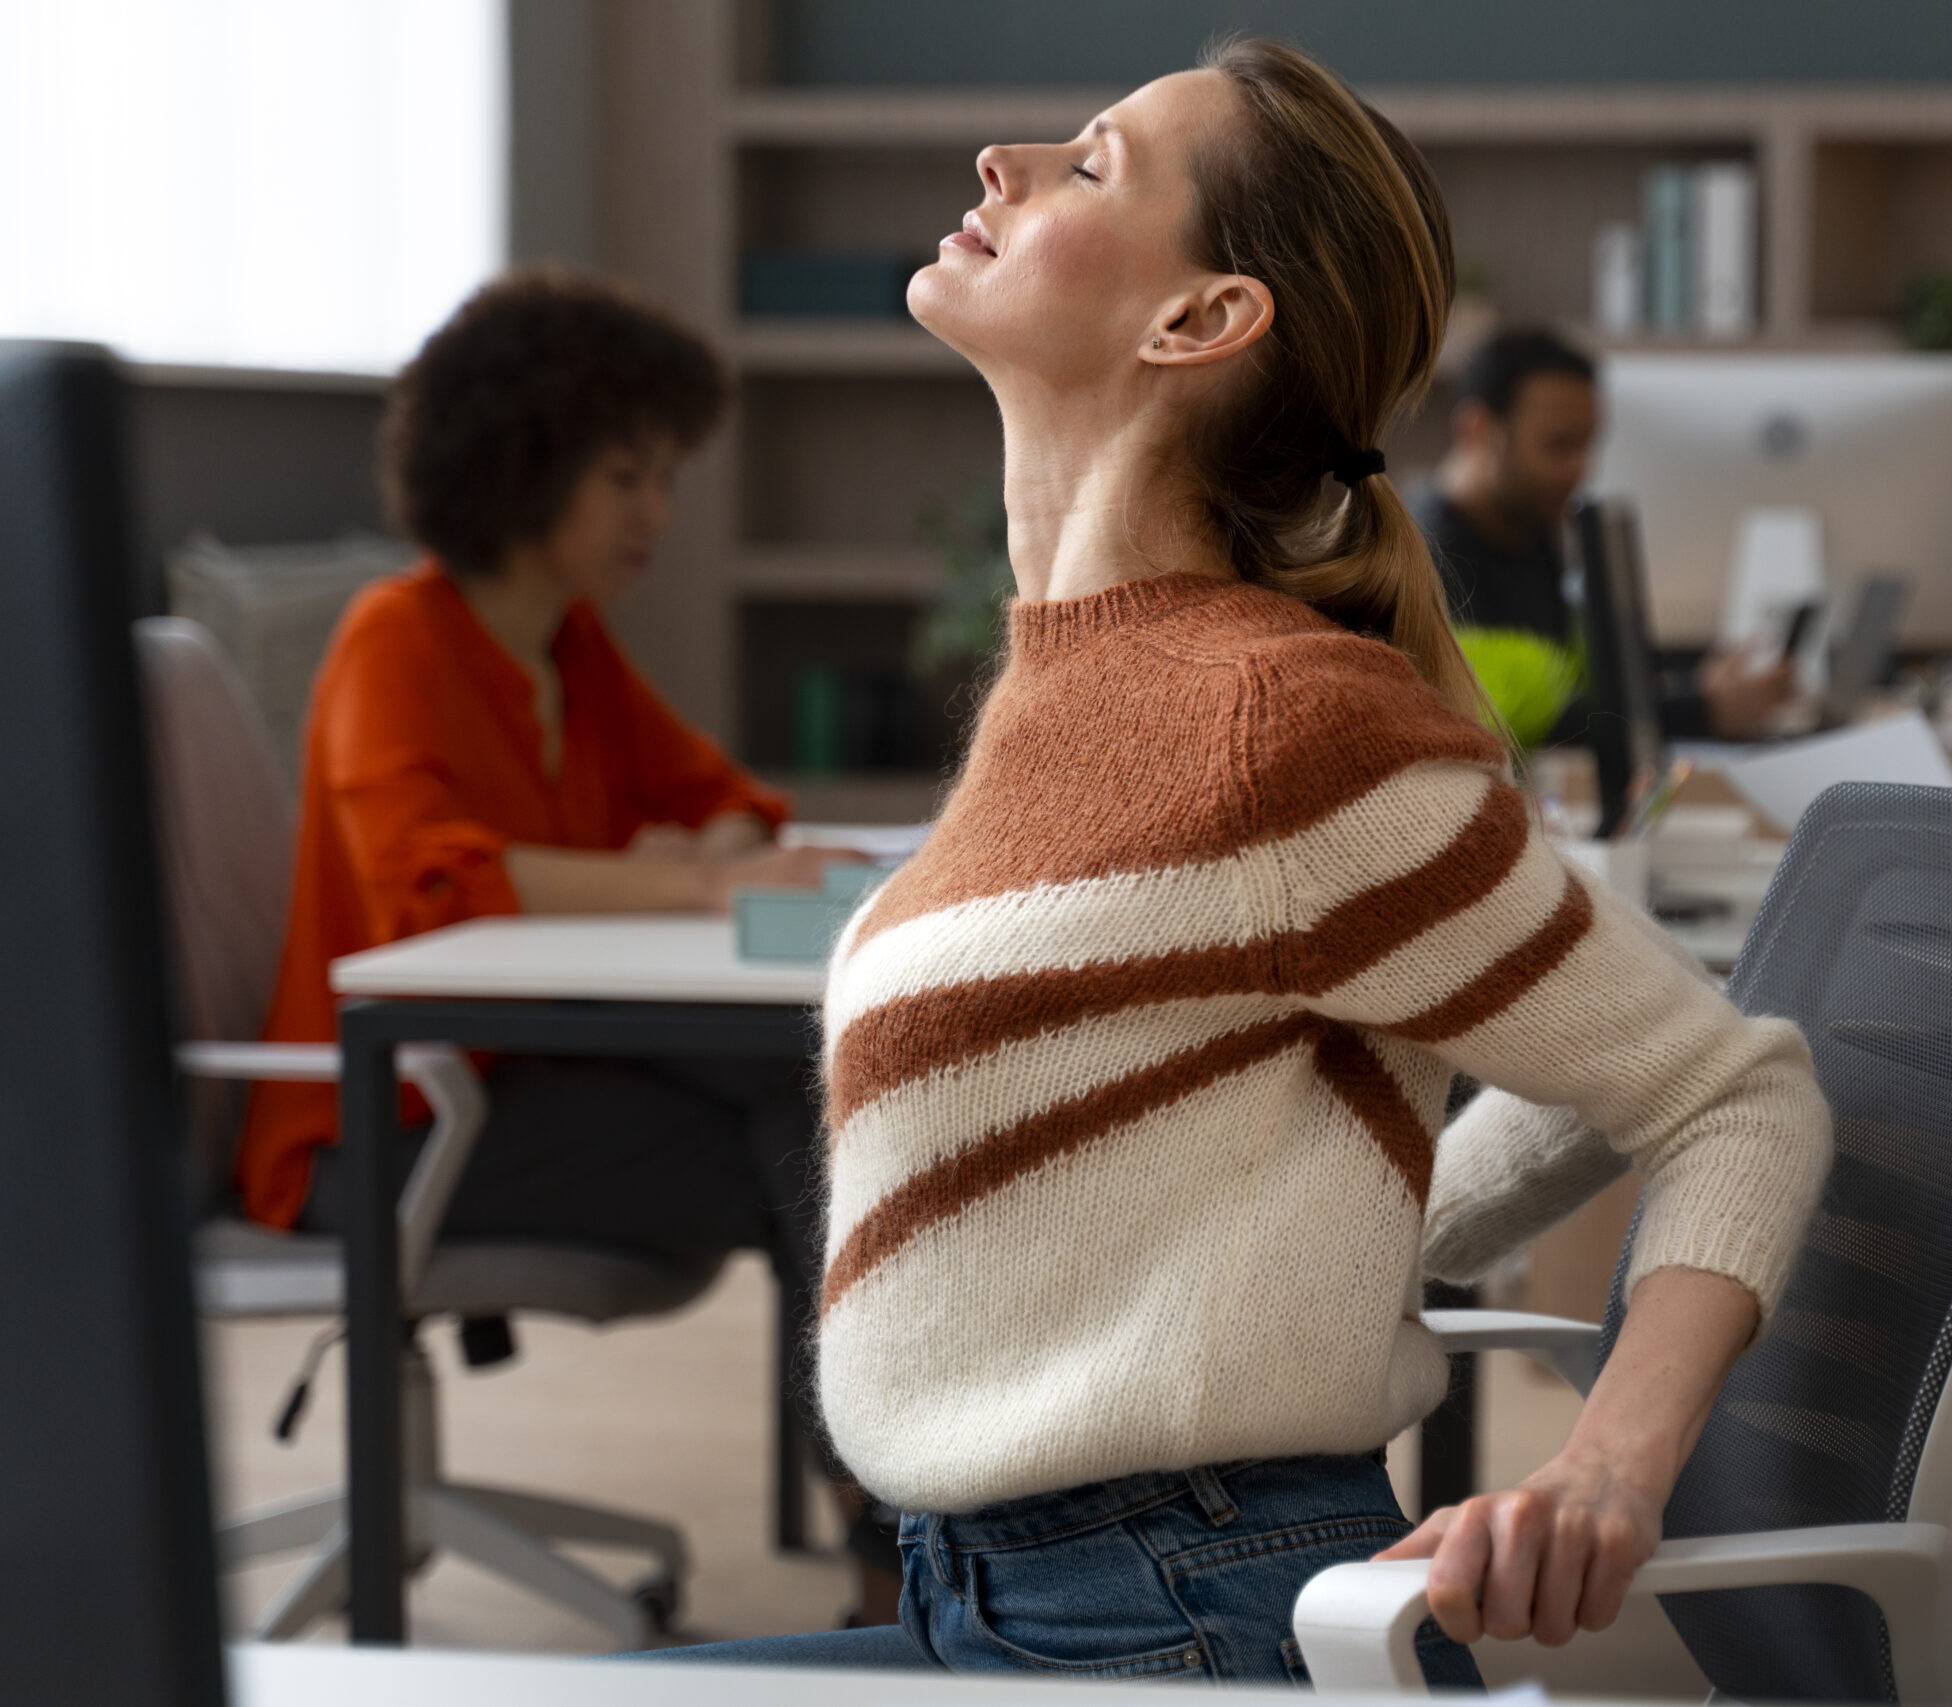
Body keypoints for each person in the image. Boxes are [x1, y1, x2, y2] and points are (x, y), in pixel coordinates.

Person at [651, 38, 1832, 1682]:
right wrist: (1325, 1249)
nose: (1002, 158)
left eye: (1091, 165)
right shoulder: (1072, 680)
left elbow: (1725, 1089)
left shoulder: (1277, 719)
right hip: (990, 1598)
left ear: (1200, 319)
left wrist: (1606, 1468)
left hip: (1175, 1613)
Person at [237, 271, 901, 1614]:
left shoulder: (574, 651)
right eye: (625, 477)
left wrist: (686, 856)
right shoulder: (395, 643)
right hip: (379, 1128)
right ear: (524, 468)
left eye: (660, 476)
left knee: (812, 1111)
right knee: (811, 1125)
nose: (656, 512)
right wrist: (688, 885)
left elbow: (728, 801)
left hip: (518, 1083)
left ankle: (881, 1533)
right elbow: (437, 892)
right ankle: (885, 1540)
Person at [1416, 328, 1795, 742]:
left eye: (1587, 445)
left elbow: (1579, 694)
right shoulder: (1422, 562)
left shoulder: (1531, 533)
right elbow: (1507, 727)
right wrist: (1698, 711)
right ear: (1479, 431)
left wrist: (1693, 690)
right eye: (1559, 446)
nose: (1581, 471)